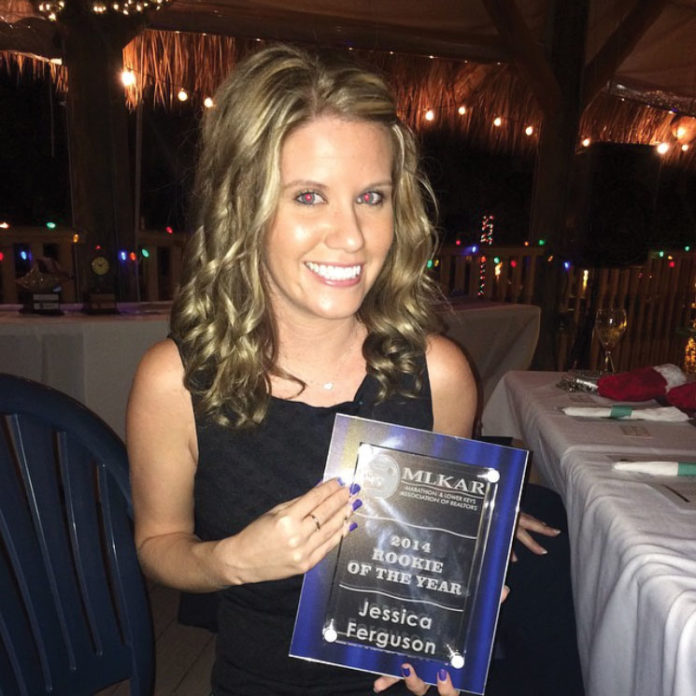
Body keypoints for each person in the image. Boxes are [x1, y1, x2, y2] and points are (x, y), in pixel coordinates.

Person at [127, 43, 565, 696]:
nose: (352, 235)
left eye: (371, 196)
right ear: (244, 209)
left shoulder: (441, 374)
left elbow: (430, 561)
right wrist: (230, 560)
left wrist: (449, 617)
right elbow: (159, 542)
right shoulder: (172, 381)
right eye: (309, 196)